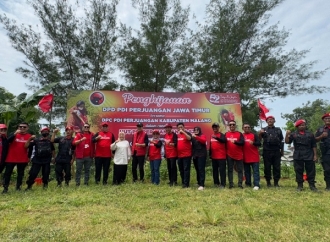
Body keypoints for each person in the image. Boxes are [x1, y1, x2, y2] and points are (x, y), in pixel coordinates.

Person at [286, 119, 318, 192]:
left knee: (311, 170)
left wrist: (315, 155)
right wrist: (287, 134)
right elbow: (287, 142)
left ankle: (312, 185)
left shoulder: (310, 134)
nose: (302, 126)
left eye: (303, 125)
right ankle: (300, 185)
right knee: (298, 170)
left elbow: (314, 145)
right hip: (298, 154)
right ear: (297, 126)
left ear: (305, 126)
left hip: (309, 153)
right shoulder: (294, 134)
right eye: (300, 125)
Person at [2, 122, 32, 193]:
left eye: (24, 127)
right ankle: (5, 188)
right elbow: (7, 141)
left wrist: (29, 157)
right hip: (10, 158)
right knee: (7, 174)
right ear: (18, 128)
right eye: (20, 127)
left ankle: (18, 187)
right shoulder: (13, 134)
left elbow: (30, 148)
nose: (22, 128)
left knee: (20, 174)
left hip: (22, 159)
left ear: (27, 128)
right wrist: (15, 134)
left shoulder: (29, 136)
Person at [259, 116, 284, 187]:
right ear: (266, 121)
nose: (270, 121)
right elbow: (259, 140)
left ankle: (276, 182)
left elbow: (282, 140)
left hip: (276, 151)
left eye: (271, 119)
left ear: (274, 121)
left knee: (277, 167)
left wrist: (282, 151)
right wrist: (260, 133)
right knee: (267, 167)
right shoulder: (263, 129)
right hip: (267, 151)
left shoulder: (278, 130)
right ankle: (268, 182)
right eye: (268, 120)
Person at [225, 120, 244, 189]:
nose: (232, 126)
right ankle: (231, 184)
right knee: (230, 170)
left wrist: (235, 142)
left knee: (240, 170)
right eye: (230, 125)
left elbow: (242, 142)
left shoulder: (239, 134)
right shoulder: (226, 134)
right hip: (229, 155)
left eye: (233, 124)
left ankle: (240, 184)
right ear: (229, 126)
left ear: (235, 126)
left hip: (238, 155)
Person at [242, 123, 261, 190]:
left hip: (254, 157)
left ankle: (256, 184)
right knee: (247, 172)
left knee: (255, 172)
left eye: (248, 127)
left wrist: (253, 143)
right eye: (245, 127)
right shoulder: (241, 135)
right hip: (245, 157)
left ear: (250, 128)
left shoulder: (254, 135)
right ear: (243, 128)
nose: (247, 128)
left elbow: (259, 143)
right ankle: (248, 183)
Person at [315, 113, 330, 190]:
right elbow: (314, 140)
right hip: (326, 152)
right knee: (327, 170)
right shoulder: (320, 129)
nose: (328, 120)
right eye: (326, 118)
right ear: (323, 120)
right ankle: (328, 186)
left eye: (329, 118)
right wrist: (321, 136)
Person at [209, 122, 227, 188]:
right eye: (213, 127)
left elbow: (224, 140)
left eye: (216, 127)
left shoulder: (221, 135)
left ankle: (223, 184)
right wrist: (210, 154)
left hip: (221, 157)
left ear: (218, 128)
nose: (215, 128)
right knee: (215, 171)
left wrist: (217, 138)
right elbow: (211, 145)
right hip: (214, 157)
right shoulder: (211, 135)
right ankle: (216, 183)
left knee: (222, 171)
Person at [176, 122, 192, 188]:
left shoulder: (187, 133)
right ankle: (183, 182)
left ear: (184, 127)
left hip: (187, 155)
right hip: (179, 155)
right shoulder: (177, 135)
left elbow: (189, 138)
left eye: (181, 127)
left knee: (186, 169)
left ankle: (186, 184)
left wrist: (183, 132)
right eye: (179, 127)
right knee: (181, 169)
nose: (180, 128)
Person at [192, 126, 207, 190]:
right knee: (197, 169)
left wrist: (196, 137)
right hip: (195, 155)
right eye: (195, 130)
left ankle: (202, 184)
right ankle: (198, 182)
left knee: (201, 169)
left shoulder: (202, 135)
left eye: (197, 130)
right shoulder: (193, 137)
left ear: (200, 130)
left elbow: (203, 141)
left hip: (202, 155)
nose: (196, 131)